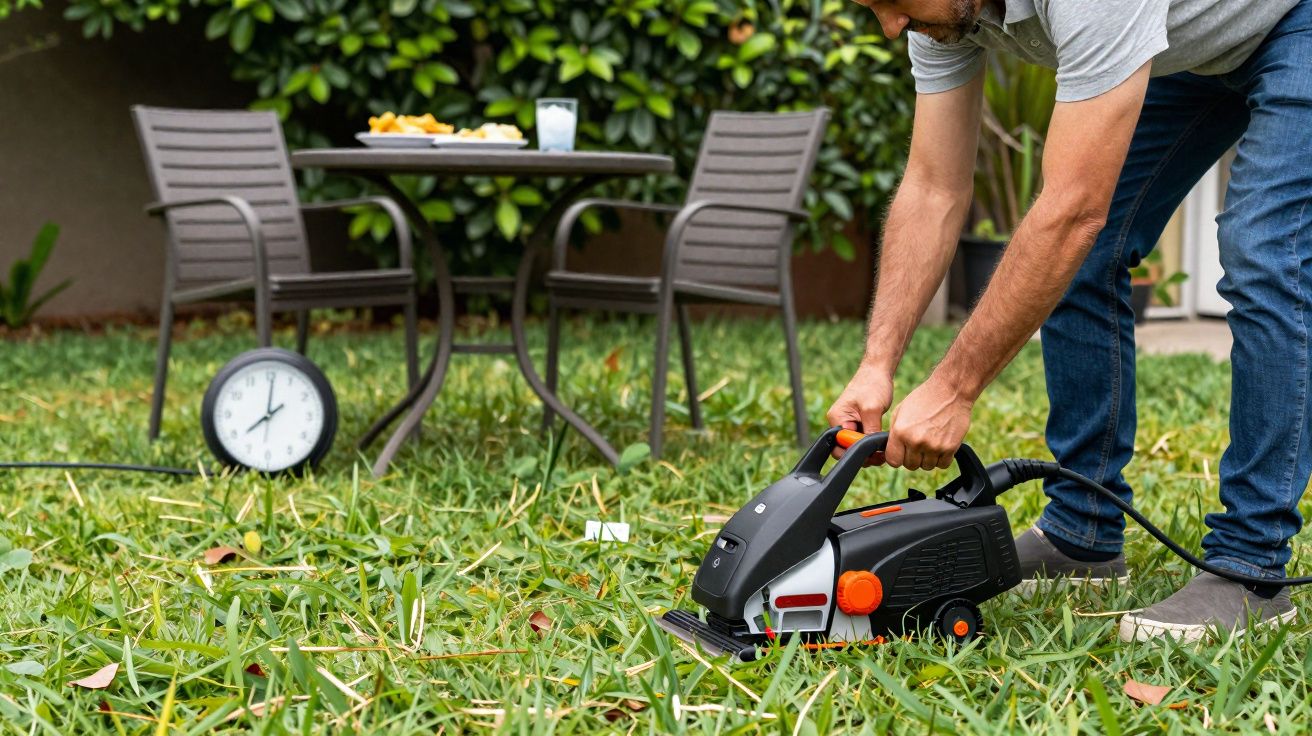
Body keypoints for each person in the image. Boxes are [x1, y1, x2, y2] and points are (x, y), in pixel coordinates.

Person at [828, 0, 1309, 642]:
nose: (889, 26)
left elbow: (1074, 210)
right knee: (1083, 260)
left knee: (1265, 252)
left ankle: (1252, 567)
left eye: (892, 3)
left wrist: (952, 388)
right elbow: (933, 186)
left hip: (1292, 20)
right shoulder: (939, 13)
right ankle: (1082, 533)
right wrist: (876, 365)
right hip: (1189, 44)